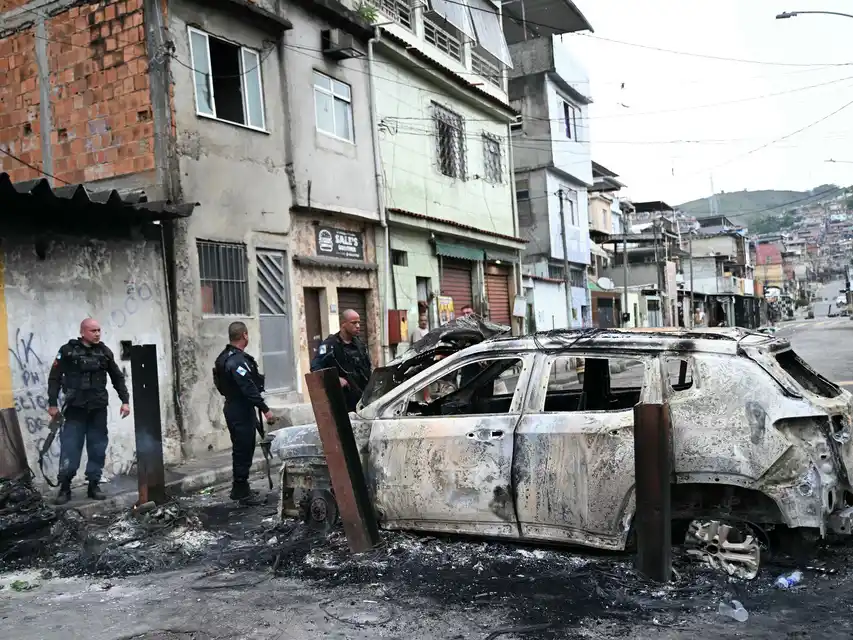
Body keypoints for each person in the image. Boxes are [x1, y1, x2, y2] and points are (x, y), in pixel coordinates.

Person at [47, 318, 131, 505]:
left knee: (97, 447)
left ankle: (94, 484)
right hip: (75, 409)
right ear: (83, 331)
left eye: (99, 330)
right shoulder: (67, 351)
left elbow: (117, 378)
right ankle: (65, 487)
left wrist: (125, 401)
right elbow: (54, 378)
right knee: (71, 448)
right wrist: (52, 404)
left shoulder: (104, 352)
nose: (97, 334)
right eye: (93, 330)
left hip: (97, 409)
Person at [213, 321, 274, 504]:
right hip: (239, 408)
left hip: (236, 406)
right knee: (243, 449)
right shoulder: (236, 360)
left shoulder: (224, 357)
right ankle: (240, 491)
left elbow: (220, 383)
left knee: (244, 448)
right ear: (245, 335)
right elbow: (248, 387)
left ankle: (242, 488)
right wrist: (265, 409)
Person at [310, 309, 372, 411]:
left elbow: (367, 369)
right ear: (343, 323)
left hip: (361, 399)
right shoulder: (329, 345)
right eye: (354, 323)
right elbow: (315, 367)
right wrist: (335, 379)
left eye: (358, 323)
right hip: (341, 401)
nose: (358, 326)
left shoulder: (360, 345)